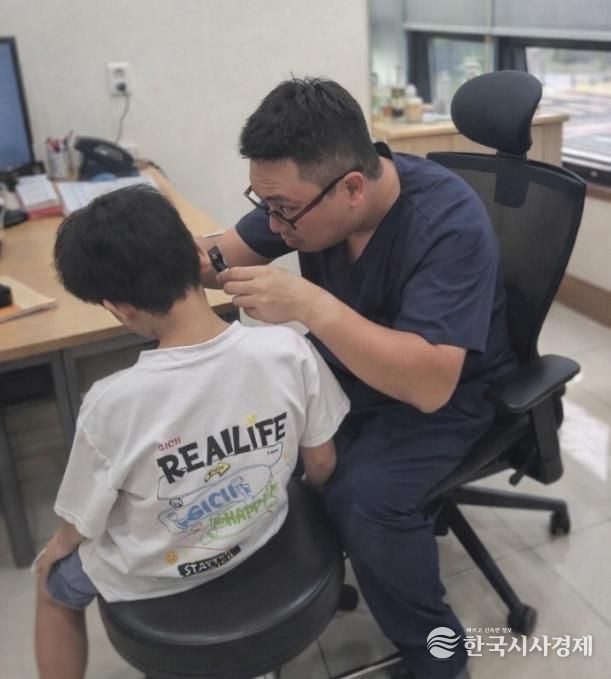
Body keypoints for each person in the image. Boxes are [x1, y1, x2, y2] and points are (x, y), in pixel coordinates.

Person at [199, 77, 518, 679]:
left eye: (282, 209)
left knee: (364, 499)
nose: (273, 223)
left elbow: (428, 386)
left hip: (448, 395)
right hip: (352, 370)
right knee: (262, 444)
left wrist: (309, 304)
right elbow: (220, 254)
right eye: (264, 204)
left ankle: (441, 658)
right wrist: (145, 259)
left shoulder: (448, 224)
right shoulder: (305, 200)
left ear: (351, 188)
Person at [34, 185, 349, 679]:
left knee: (52, 588)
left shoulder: (110, 404)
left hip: (157, 576)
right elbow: (323, 462)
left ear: (118, 308)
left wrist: (55, 549)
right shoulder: (287, 350)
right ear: (198, 257)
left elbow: (81, 523)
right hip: (262, 531)